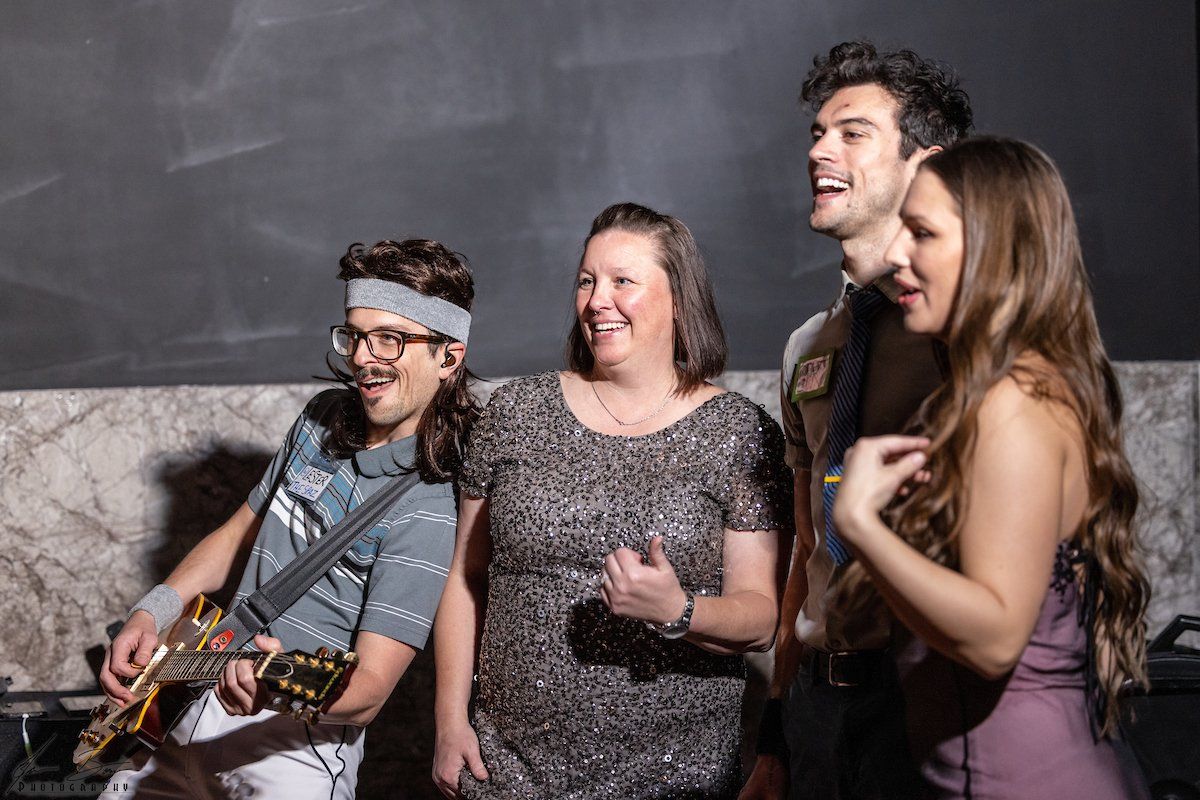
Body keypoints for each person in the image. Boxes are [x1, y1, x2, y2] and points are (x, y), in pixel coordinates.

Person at [432, 202, 793, 799]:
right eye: (586, 281)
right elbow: (466, 577)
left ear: (679, 298)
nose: (598, 300)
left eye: (623, 281)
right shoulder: (515, 412)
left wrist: (678, 610)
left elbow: (761, 618)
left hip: (677, 773)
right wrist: (449, 721)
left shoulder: (736, 430)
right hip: (509, 766)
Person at [98, 239, 480, 799]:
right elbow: (236, 533)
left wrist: (275, 688)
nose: (363, 358)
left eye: (391, 339)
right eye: (355, 334)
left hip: (294, 750)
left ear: (448, 356)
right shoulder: (322, 417)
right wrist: (152, 610)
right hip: (191, 704)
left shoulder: (431, 505)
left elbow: (370, 691)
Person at [831, 136, 1151, 798]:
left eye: (921, 232)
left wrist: (862, 524)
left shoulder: (1011, 403)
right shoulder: (1007, 391)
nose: (894, 256)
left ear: (994, 249)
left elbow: (998, 637)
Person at [741, 41, 973, 800]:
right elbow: (809, 540)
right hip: (816, 708)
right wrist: (777, 719)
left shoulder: (969, 334)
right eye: (816, 133)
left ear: (925, 164)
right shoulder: (807, 345)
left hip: (931, 697)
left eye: (851, 133)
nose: (819, 150)